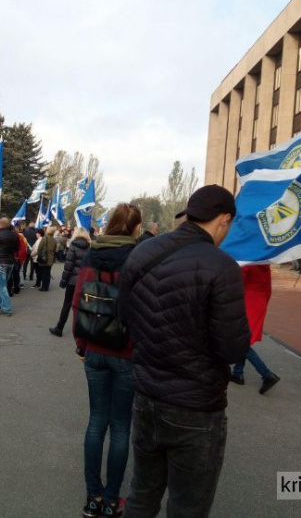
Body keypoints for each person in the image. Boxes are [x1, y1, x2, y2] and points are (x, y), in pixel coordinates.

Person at [118, 185, 251, 517]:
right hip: (195, 407)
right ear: (224, 220)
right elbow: (233, 347)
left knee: (142, 494)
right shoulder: (222, 267)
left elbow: (125, 316)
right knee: (188, 506)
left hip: (147, 394)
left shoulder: (142, 251)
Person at [71, 203, 142, 518]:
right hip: (126, 353)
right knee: (121, 426)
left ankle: (92, 498)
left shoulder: (91, 255)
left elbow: (77, 302)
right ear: (136, 228)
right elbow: (143, 310)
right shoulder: (138, 260)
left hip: (95, 350)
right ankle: (113, 500)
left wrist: (82, 344)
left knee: (96, 421)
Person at [230, 264, 281, 394]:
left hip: (247, 301)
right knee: (244, 339)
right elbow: (268, 288)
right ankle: (238, 373)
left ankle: (267, 374)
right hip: (259, 302)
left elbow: (237, 283)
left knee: (241, 340)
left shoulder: (249, 261)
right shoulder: (264, 263)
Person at [49, 227, 90, 337]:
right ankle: (82, 330)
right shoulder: (89, 247)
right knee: (82, 306)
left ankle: (59, 328)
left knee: (67, 304)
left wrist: (63, 282)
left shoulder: (73, 247)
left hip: (72, 281)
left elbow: (68, 267)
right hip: (84, 281)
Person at [0, 218, 20, 316]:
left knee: (2, 286)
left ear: (0, 225)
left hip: (1, 261)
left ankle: (7, 308)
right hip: (10, 261)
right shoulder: (15, 235)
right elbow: (17, 248)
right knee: (3, 284)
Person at [35, 226, 57, 291]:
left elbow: (39, 248)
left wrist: (39, 255)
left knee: (43, 273)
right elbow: (55, 249)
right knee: (48, 273)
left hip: (44, 258)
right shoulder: (54, 240)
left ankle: (43, 287)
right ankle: (46, 286)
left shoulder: (44, 238)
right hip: (51, 259)